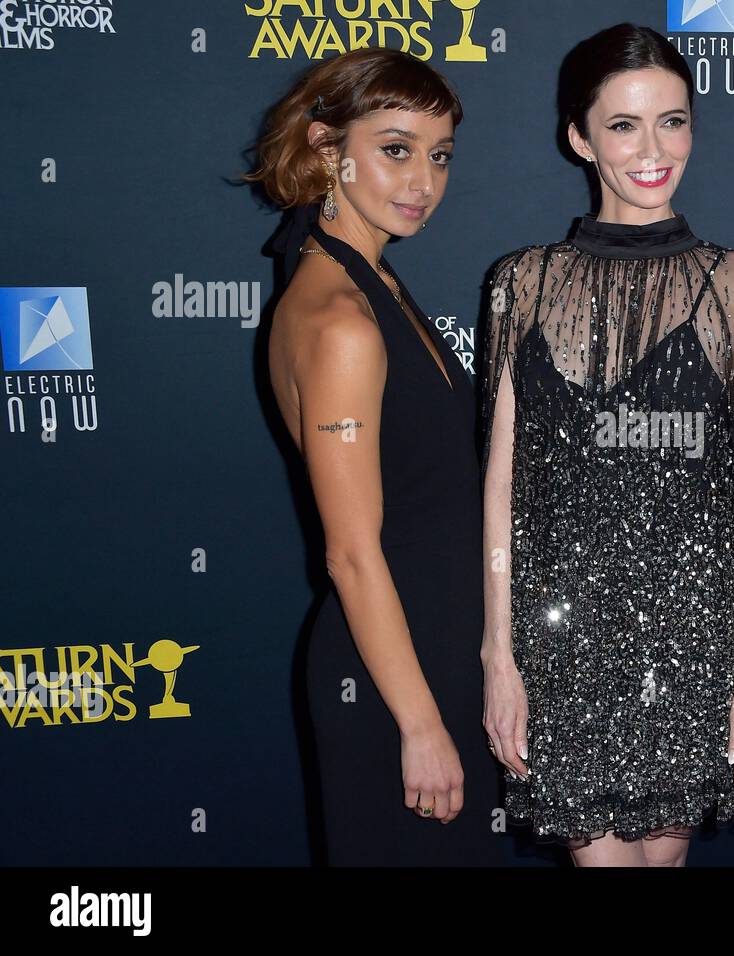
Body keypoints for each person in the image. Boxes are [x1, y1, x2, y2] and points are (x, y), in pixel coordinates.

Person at [478, 23, 734, 867]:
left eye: (673, 120)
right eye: (623, 124)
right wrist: (497, 654)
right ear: (579, 137)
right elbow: (503, 481)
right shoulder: (523, 282)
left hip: (699, 630)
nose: (653, 148)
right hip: (565, 639)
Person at [250, 47, 499, 864]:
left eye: (439, 155)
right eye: (395, 149)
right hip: (397, 679)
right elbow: (354, 553)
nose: (422, 178)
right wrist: (419, 725)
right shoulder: (343, 322)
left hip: (437, 655)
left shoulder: (371, 282)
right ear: (327, 148)